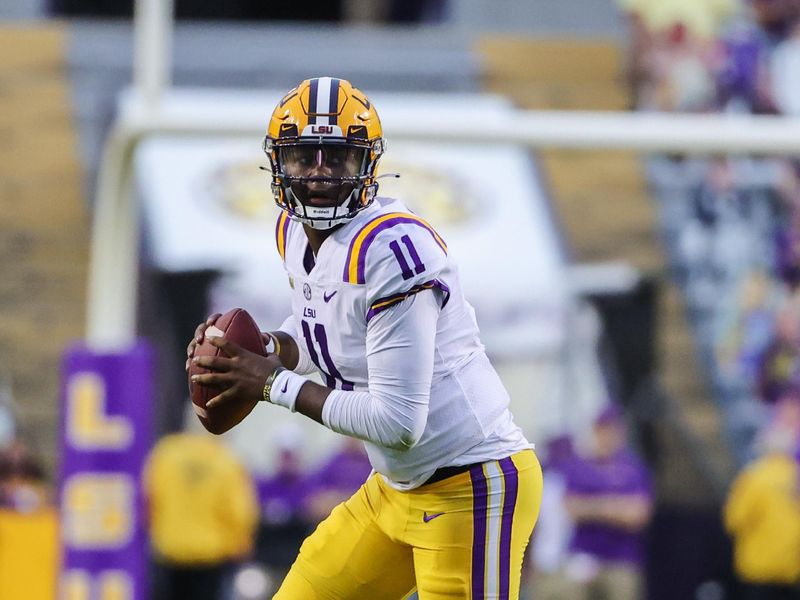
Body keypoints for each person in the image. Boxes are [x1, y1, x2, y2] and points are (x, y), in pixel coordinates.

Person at [187, 76, 543, 599]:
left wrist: (272, 385)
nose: (319, 174)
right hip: (395, 490)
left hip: (471, 486)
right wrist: (268, 348)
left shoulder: (393, 251)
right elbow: (326, 333)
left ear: (367, 165)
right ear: (278, 163)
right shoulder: (291, 230)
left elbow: (398, 422)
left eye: (338, 158)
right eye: (304, 156)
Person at [143, 405, 259, 600]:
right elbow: (240, 512)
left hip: (169, 552)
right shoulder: (227, 461)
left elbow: (150, 501)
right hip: (210, 557)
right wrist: (242, 547)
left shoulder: (165, 453)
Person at [560, 405, 653, 600]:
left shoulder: (633, 468)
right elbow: (571, 508)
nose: (607, 435)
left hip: (622, 560)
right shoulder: (579, 465)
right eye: (603, 429)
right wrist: (615, 506)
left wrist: (592, 506)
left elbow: (638, 514)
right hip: (584, 557)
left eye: (612, 429)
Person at [724, 397, 800, 600]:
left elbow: (734, 520)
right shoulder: (795, 476)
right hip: (791, 573)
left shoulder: (754, 477)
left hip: (759, 573)